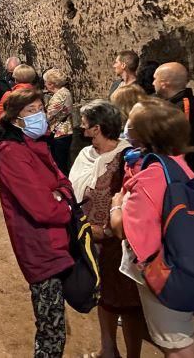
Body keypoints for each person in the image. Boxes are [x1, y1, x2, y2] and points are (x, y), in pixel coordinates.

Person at [110, 98, 194, 357]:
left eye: (131, 122)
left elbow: (122, 230)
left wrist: (116, 206)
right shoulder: (175, 164)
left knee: (176, 344)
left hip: (161, 269)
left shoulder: (151, 177)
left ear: (143, 133)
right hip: (180, 257)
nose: (126, 125)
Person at [0, 89, 73, 357]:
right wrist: (64, 204)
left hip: (56, 240)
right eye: (30, 111)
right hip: (39, 245)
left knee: (55, 319)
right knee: (51, 328)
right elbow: (43, 208)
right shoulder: (12, 153)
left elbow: (64, 182)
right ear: (15, 119)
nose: (39, 115)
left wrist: (60, 195)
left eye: (40, 108)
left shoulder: (37, 145)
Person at [69, 100, 144, 358]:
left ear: (97, 128)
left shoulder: (128, 158)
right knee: (104, 298)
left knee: (129, 304)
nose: (82, 128)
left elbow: (135, 201)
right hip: (92, 242)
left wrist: (110, 231)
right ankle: (108, 349)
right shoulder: (85, 154)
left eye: (85, 124)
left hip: (120, 244)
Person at [153, 62, 194, 187]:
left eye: (155, 79)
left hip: (187, 179)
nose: (153, 83)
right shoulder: (173, 104)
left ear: (164, 83)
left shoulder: (186, 107)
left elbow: (180, 145)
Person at [44, 68, 74, 176]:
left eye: (46, 82)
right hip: (64, 131)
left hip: (60, 133)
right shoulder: (65, 92)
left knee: (60, 164)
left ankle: (62, 183)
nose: (45, 85)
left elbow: (48, 116)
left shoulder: (59, 96)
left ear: (51, 84)